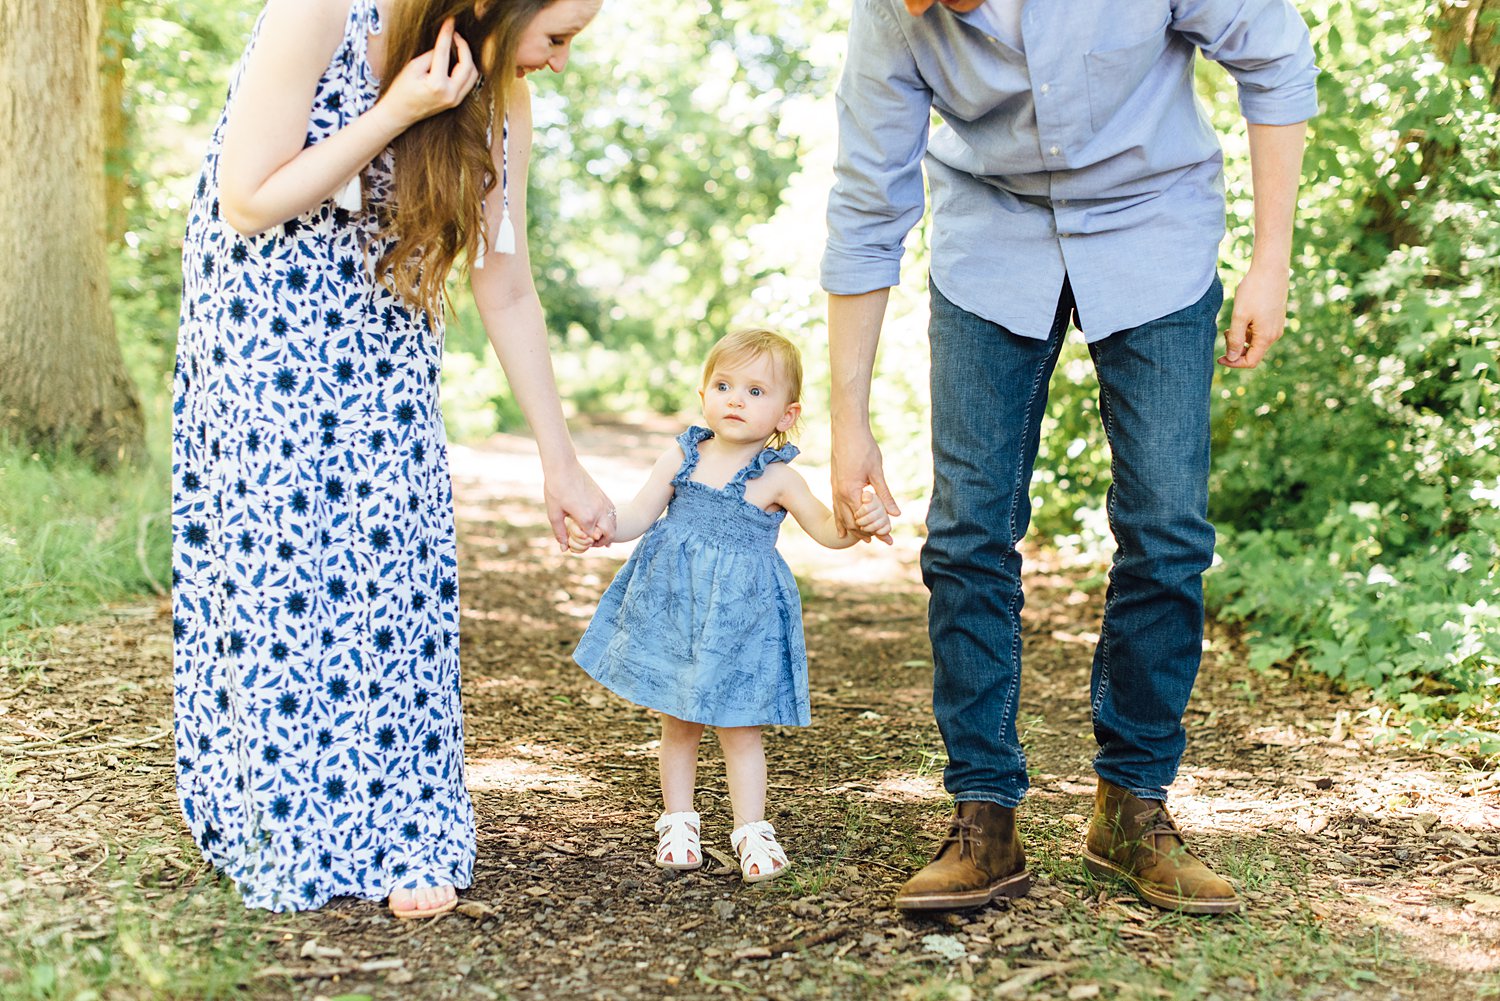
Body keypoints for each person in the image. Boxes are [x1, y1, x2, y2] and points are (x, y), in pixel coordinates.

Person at [822, 0, 1318, 915]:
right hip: (991, 237)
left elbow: (1278, 57)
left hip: (1155, 225)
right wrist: (847, 422)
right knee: (967, 531)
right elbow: (867, 199)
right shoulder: (892, 14)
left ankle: (1131, 806)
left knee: (1167, 530)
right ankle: (984, 814)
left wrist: (1271, 261)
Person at [171, 0, 610, 918]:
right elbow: (246, 200)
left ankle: (406, 826)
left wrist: (558, 458)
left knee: (393, 566)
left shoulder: (499, 99)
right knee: (283, 577)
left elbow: (507, 278)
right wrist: (394, 115)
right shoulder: (322, 13)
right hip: (260, 326)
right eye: (558, 36)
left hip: (380, 328)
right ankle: (281, 821)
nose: (561, 62)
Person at [564, 329, 891, 882]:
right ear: (703, 395)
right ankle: (678, 820)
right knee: (679, 720)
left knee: (740, 727)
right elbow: (640, 515)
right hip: (676, 608)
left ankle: (751, 828)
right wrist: (599, 527)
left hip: (742, 620)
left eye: (756, 391)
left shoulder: (779, 478)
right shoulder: (682, 455)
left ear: (787, 415)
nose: (736, 399)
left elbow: (829, 533)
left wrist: (861, 524)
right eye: (724, 385)